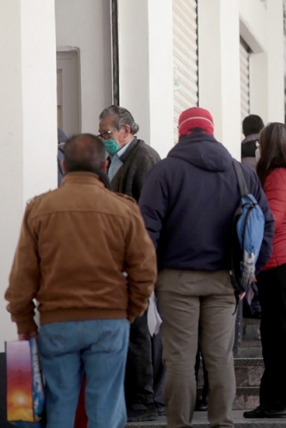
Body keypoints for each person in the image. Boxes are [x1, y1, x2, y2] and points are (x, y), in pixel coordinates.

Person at [5, 134, 157, 428]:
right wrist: (128, 313)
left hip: (56, 322)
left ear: (63, 165)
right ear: (104, 163)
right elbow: (145, 271)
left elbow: (22, 277)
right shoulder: (124, 209)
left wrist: (25, 323)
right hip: (109, 321)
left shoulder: (39, 208)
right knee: (105, 407)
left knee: (62, 403)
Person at [138, 107, 275, 427]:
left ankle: (179, 424)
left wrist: (147, 279)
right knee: (219, 359)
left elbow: (146, 232)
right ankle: (221, 423)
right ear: (211, 132)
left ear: (181, 132)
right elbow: (265, 226)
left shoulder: (164, 171)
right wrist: (249, 275)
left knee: (180, 361)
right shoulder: (241, 173)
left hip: (175, 281)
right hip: (225, 281)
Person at [242, 123, 286, 419]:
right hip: (283, 260)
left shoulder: (278, 176)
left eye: (262, 144)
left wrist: (253, 259)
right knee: (274, 332)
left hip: (278, 261)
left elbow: (268, 219)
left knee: (279, 333)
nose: (258, 148)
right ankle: (276, 399)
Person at [98, 105, 163, 421]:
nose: (104, 138)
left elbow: (150, 214)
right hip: (117, 259)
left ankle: (143, 400)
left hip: (135, 258)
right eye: (100, 135)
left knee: (138, 331)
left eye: (107, 133)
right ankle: (133, 397)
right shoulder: (117, 159)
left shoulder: (143, 159)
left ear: (126, 129)